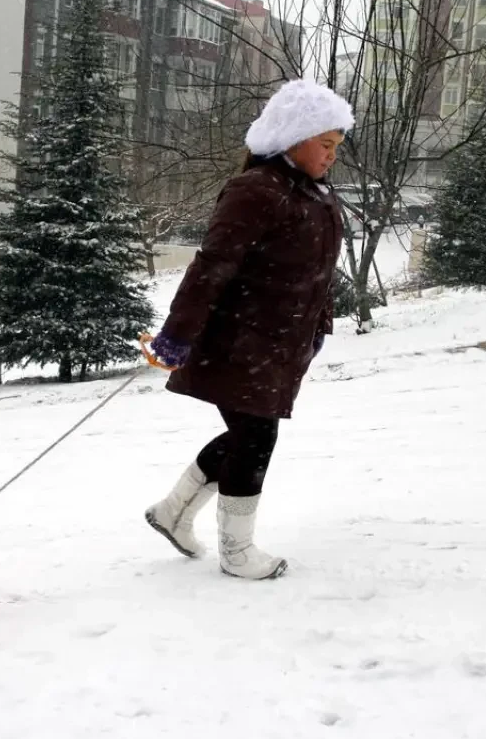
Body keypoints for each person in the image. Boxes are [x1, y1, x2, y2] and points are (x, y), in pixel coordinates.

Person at [142, 78, 353, 580]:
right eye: (325, 145)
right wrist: (177, 334)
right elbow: (212, 265)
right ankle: (236, 552)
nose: (331, 156)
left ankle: (172, 513)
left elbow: (318, 274)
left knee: (247, 433)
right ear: (293, 139)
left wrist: (319, 326)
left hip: (277, 343)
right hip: (238, 338)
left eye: (335, 148)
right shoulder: (256, 190)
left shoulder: (312, 192)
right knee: (255, 436)